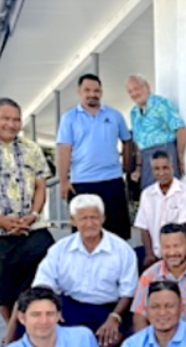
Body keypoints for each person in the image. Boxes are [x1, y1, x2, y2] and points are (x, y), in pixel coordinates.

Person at [25, 194, 137, 347]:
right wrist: (53, 308)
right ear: (73, 220)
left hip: (108, 309)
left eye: (94, 217)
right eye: (83, 218)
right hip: (69, 306)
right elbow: (43, 282)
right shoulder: (60, 249)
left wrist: (115, 317)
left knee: (105, 345)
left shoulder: (122, 250)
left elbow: (128, 292)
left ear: (103, 218)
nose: (90, 223)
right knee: (38, 328)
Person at [56, 74, 133, 240]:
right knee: (84, 233)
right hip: (82, 183)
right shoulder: (68, 119)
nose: (92, 94)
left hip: (112, 180)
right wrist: (63, 181)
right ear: (79, 91)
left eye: (96, 90)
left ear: (102, 92)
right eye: (87, 90)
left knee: (117, 233)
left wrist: (127, 167)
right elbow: (64, 150)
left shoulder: (115, 115)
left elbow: (127, 141)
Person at [0, 97, 55, 324]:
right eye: (5, 118)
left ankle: (27, 323)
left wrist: (32, 215)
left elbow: (41, 185)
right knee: (3, 287)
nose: (11, 124)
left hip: (31, 228)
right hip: (1, 232)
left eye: (16, 120)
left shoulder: (32, 148)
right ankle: (11, 332)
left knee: (48, 260)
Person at [125, 74, 186, 189]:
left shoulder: (161, 103)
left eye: (136, 88)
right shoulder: (134, 112)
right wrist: (138, 167)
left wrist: (180, 157)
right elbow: (139, 143)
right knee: (150, 193)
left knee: (169, 191)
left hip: (165, 151)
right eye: (130, 91)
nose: (134, 93)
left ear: (147, 87)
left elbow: (180, 128)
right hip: (146, 157)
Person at [135, 150, 186, 268]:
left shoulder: (185, 192)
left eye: (165, 168)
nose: (161, 172)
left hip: (175, 253)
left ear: (172, 168)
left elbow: (181, 227)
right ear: (152, 171)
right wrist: (149, 254)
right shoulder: (147, 194)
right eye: (157, 169)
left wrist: (170, 254)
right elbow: (144, 228)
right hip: (154, 252)